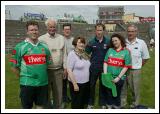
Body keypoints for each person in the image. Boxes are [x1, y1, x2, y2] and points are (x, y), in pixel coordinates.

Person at [10, 21, 52, 109]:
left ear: (38, 31)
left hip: (43, 84)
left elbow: (48, 63)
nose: (34, 32)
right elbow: (13, 67)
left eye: (36, 30)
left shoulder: (45, 47)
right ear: (27, 32)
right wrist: (23, 76)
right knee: (26, 108)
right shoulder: (19, 47)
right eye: (31, 30)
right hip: (27, 85)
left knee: (40, 107)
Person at [38, 18, 67, 109]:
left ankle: (58, 108)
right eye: (50, 27)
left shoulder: (61, 38)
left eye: (54, 27)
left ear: (56, 27)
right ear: (47, 27)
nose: (52, 29)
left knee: (58, 92)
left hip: (58, 70)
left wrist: (65, 68)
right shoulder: (41, 39)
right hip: (45, 70)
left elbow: (65, 54)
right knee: (46, 92)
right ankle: (47, 108)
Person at [121, 24, 150, 108]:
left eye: (132, 31)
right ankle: (122, 103)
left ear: (136, 32)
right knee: (123, 88)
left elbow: (146, 57)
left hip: (135, 70)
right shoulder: (123, 42)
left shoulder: (141, 43)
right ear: (127, 32)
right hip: (123, 69)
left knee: (135, 89)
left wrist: (139, 66)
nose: (130, 33)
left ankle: (135, 104)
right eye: (129, 31)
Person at [85, 23, 110, 109]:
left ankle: (102, 103)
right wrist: (90, 61)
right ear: (95, 31)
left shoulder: (108, 42)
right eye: (97, 30)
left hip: (104, 68)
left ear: (103, 31)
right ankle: (90, 103)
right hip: (94, 68)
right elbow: (85, 54)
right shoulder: (91, 42)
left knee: (103, 86)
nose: (99, 32)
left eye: (100, 30)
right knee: (91, 86)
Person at [103, 33, 132, 109]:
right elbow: (105, 62)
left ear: (120, 40)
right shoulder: (110, 50)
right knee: (108, 93)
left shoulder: (126, 52)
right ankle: (109, 106)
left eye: (116, 40)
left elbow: (126, 66)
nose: (114, 42)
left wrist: (118, 77)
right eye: (113, 41)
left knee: (116, 94)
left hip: (119, 78)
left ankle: (116, 107)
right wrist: (106, 74)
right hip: (109, 77)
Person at [67, 37, 90, 109]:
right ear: (75, 44)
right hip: (77, 84)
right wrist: (75, 84)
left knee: (83, 103)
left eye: (83, 42)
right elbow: (69, 70)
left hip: (85, 83)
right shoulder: (72, 54)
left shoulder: (84, 54)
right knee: (76, 104)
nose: (81, 44)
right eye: (79, 42)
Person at [62, 23, 74, 103]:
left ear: (70, 30)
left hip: (72, 65)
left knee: (72, 82)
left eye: (68, 29)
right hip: (62, 65)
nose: (67, 31)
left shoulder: (74, 40)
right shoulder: (60, 39)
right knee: (63, 83)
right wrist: (64, 67)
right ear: (63, 30)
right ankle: (64, 97)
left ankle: (73, 97)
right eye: (65, 29)